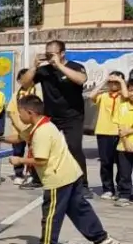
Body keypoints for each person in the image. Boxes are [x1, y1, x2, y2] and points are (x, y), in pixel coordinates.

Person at [0, 94, 119, 244]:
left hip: (58, 179)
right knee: (79, 210)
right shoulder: (41, 124)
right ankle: (103, 240)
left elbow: (41, 160)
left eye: (20, 113)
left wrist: (19, 160)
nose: (18, 116)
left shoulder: (42, 132)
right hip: (71, 174)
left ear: (30, 112)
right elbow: (19, 137)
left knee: (51, 215)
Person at [27, 39, 88, 189]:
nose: (49, 57)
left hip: (73, 115)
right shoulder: (44, 71)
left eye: (53, 54)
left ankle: (82, 184)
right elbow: (25, 83)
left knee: (74, 147)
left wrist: (59, 65)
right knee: (40, 145)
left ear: (62, 53)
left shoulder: (75, 67)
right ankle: (37, 179)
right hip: (51, 115)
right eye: (47, 54)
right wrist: (34, 67)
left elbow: (81, 80)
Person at [87, 71, 127, 199]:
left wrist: (121, 81)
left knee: (122, 163)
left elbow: (126, 94)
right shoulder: (103, 96)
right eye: (111, 82)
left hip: (120, 132)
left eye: (116, 82)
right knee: (106, 162)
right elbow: (91, 95)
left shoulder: (124, 97)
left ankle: (121, 188)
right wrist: (105, 81)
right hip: (104, 132)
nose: (113, 84)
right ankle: (108, 188)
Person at [8, 69, 42, 188]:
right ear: (18, 80)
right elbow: (11, 112)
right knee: (18, 151)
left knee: (34, 152)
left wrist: (31, 126)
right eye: (22, 78)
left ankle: (33, 174)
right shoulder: (16, 94)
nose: (25, 80)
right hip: (18, 129)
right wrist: (21, 126)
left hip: (33, 128)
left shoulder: (38, 92)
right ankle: (18, 174)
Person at [114, 86, 133, 207]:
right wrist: (125, 141)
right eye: (131, 90)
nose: (132, 93)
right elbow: (120, 126)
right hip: (124, 145)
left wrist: (129, 131)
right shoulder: (123, 106)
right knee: (124, 172)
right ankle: (125, 195)